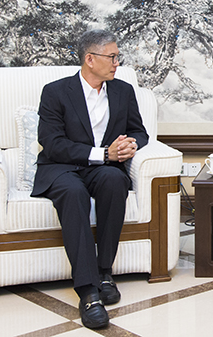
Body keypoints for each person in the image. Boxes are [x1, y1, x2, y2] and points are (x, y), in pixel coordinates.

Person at [32, 29, 148, 329]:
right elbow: (52, 143)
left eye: (118, 57)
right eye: (112, 57)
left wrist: (131, 145)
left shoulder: (123, 91)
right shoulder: (55, 92)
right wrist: (104, 154)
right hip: (62, 166)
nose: (117, 63)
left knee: (115, 181)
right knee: (74, 193)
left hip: (102, 168)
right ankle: (88, 292)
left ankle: (104, 271)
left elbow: (139, 130)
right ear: (90, 59)